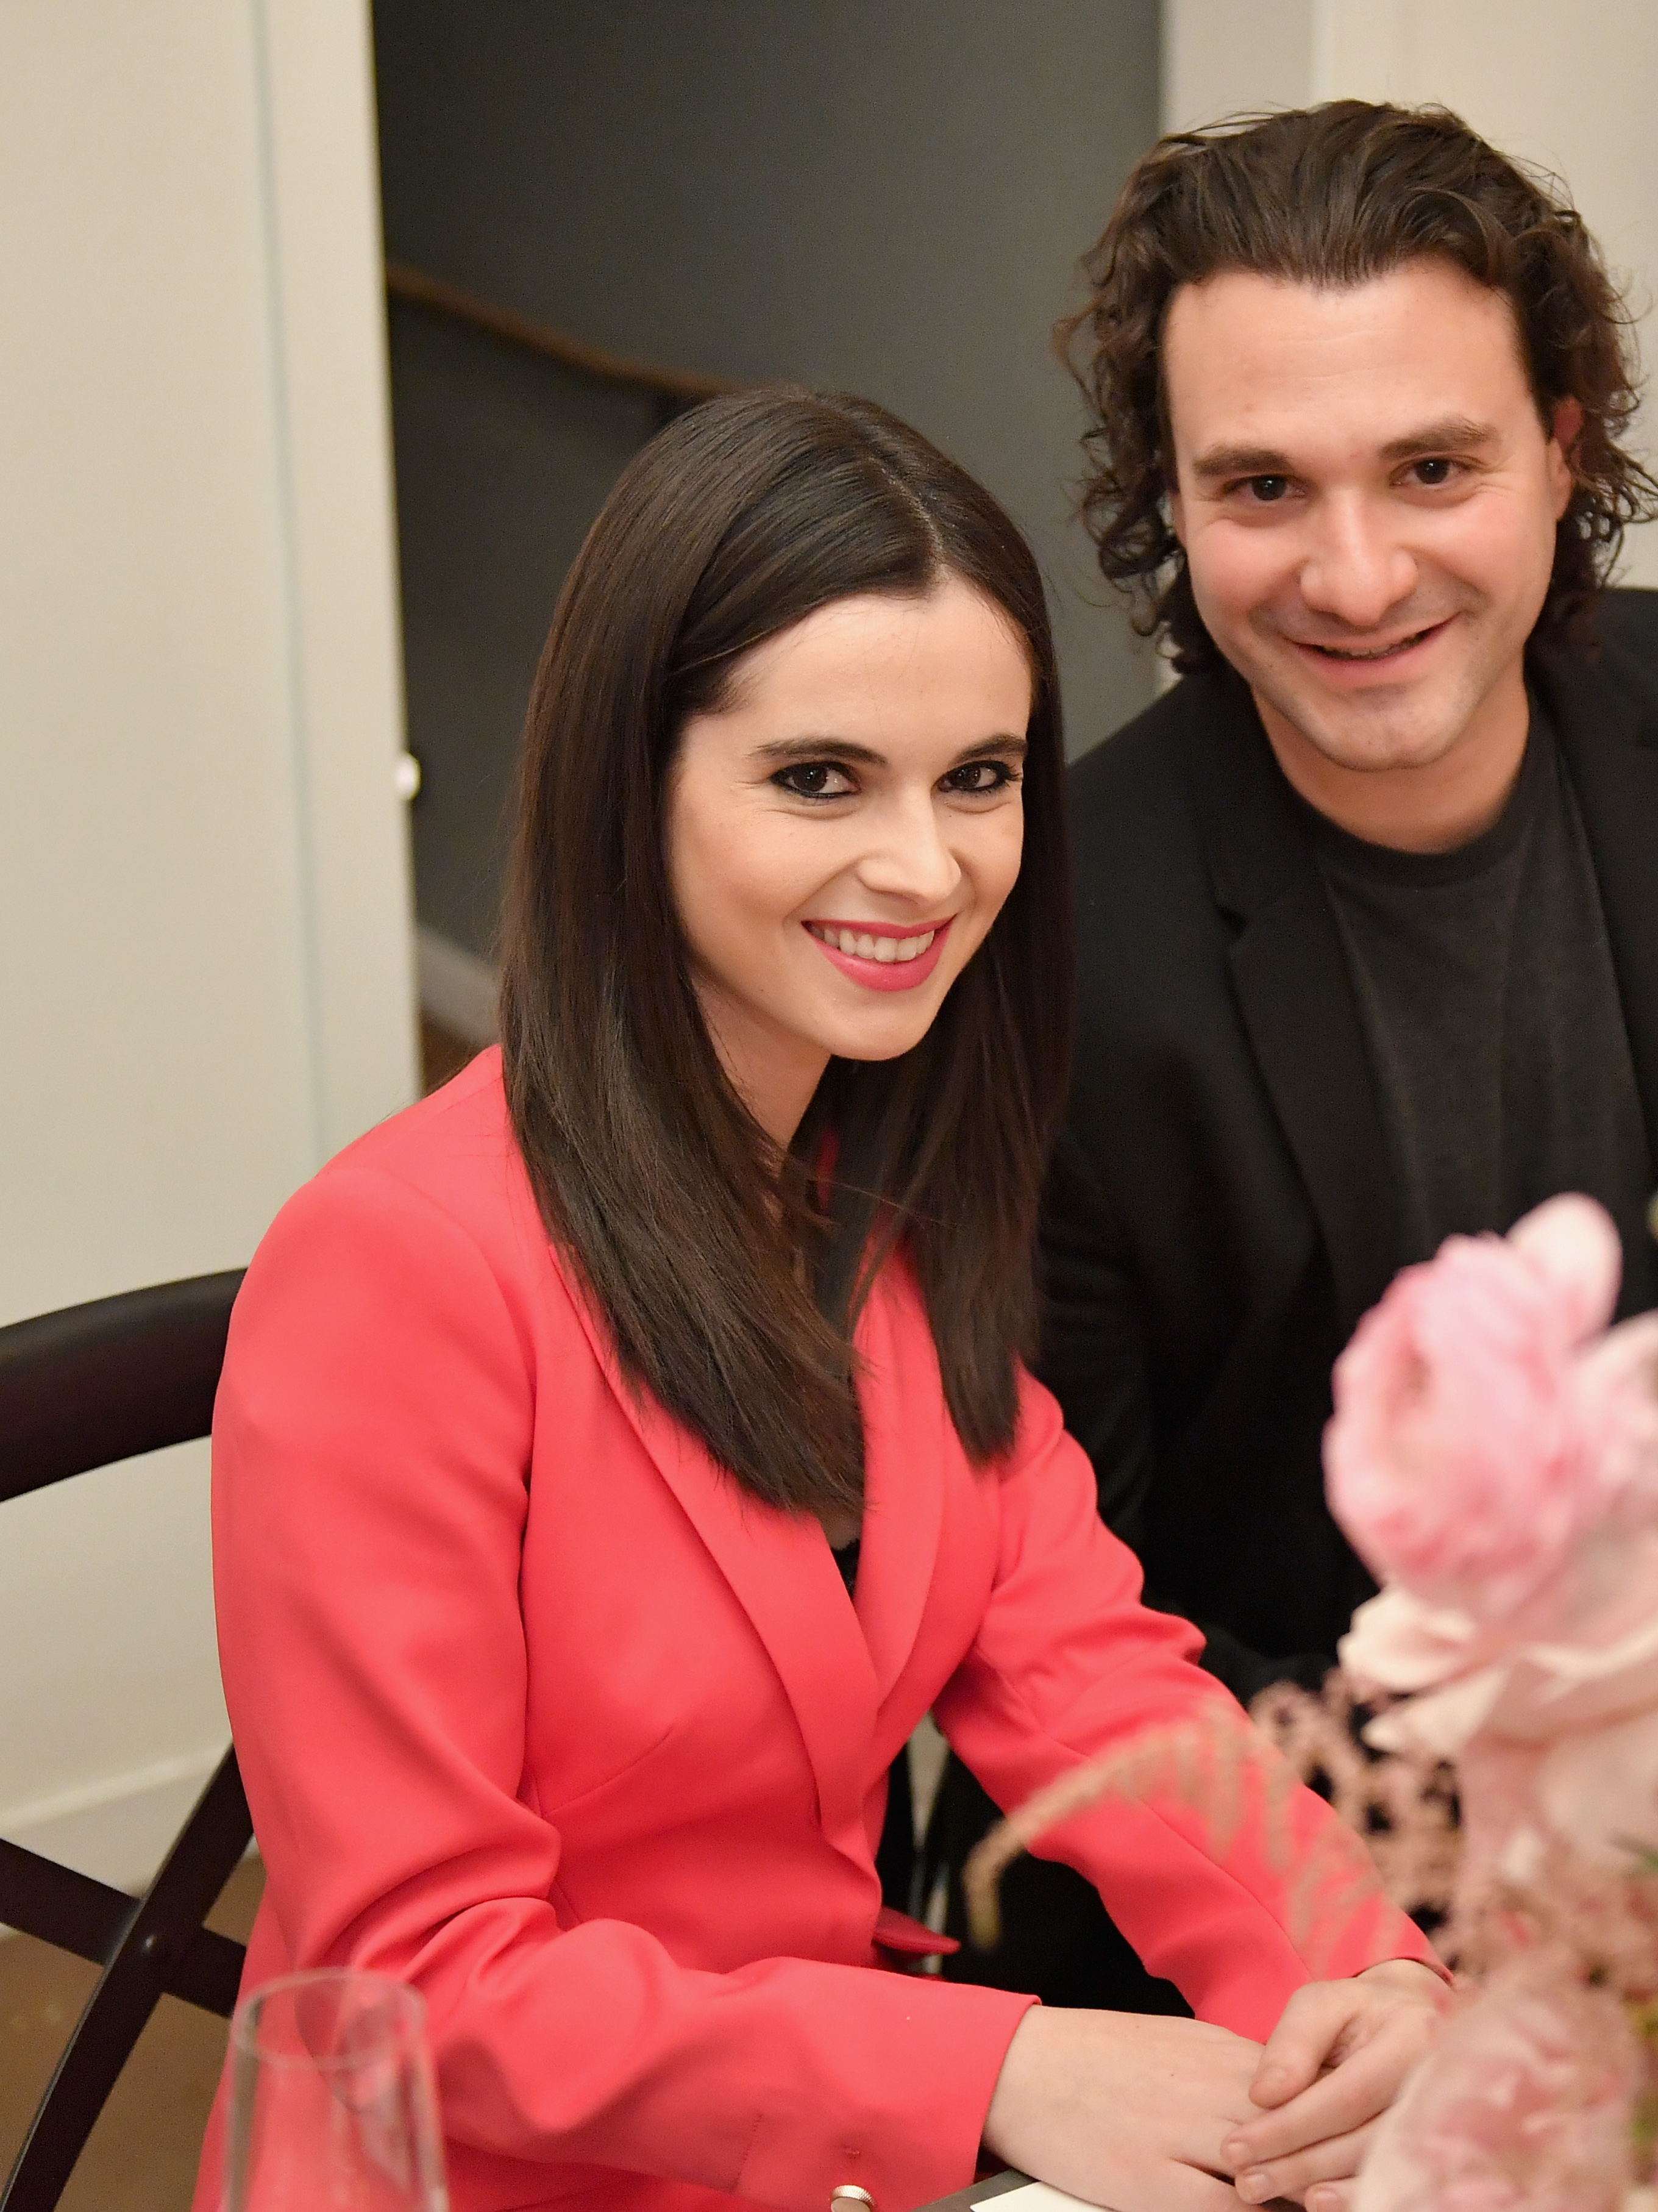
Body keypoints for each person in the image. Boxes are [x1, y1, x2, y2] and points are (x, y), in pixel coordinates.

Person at [927, 101, 1658, 2005]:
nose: (1353, 576)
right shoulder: (1053, 941)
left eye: (1432, 468)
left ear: (1564, 449)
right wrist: (1480, 1864)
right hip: (1286, 1931)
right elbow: (1068, 1615)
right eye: (1262, 488)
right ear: (1169, 498)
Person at [199, 389, 1442, 2212]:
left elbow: (1100, 1685)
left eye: (979, 778)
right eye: (818, 778)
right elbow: (419, 1973)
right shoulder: (393, 1270)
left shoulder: (886, 1205)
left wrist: (1366, 1967)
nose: (927, 866)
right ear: (632, 784)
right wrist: (1000, 2066)